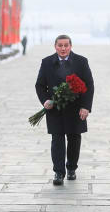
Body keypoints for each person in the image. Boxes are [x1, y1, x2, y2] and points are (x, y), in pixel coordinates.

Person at [35, 35, 94, 185]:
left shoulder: (81, 62)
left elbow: (89, 85)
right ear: (55, 46)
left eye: (66, 45)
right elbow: (40, 85)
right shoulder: (47, 62)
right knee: (57, 140)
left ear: (71, 46)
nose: (63, 48)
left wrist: (86, 107)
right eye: (60, 45)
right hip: (55, 109)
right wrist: (45, 100)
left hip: (75, 109)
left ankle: (72, 168)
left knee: (74, 139)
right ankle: (58, 173)